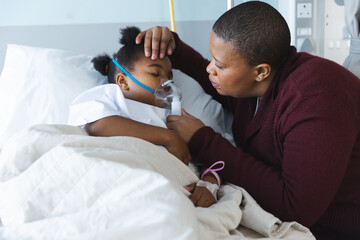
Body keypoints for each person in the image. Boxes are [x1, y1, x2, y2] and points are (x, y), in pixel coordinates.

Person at [135, 1, 360, 240]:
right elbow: (217, 77)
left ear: (260, 71)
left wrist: (203, 140)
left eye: (219, 65)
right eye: (212, 58)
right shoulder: (259, 80)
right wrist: (173, 47)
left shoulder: (315, 100)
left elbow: (296, 208)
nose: (211, 69)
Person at [68, 26, 223, 208]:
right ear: (123, 81)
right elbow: (99, 126)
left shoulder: (174, 116)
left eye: (169, 77)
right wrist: (168, 137)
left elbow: (208, 159)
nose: (166, 83)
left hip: (164, 186)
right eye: (155, 74)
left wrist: (210, 183)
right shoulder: (110, 98)